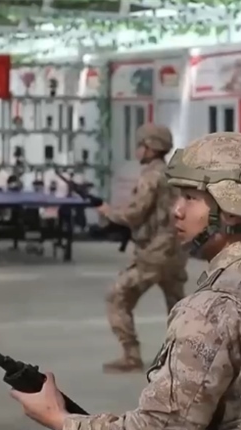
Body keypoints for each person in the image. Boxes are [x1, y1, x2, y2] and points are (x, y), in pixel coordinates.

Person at [10, 132, 241, 430]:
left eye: (190, 197)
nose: (176, 210)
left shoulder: (211, 312)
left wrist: (60, 419)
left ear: (232, 208)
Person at [96, 123, 188, 373]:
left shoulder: (151, 176)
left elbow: (135, 212)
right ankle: (188, 356)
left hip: (154, 253)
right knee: (179, 306)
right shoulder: (173, 173)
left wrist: (109, 212)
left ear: (150, 147)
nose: (137, 150)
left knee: (117, 297)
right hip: (176, 251)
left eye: (140, 145)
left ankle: (131, 354)